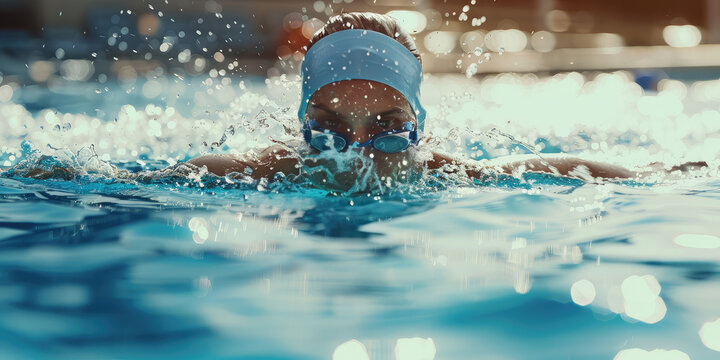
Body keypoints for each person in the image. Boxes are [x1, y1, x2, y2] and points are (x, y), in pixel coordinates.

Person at [187, 12, 706, 188]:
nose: (358, 151)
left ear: (418, 128)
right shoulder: (276, 168)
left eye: (388, 127)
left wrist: (648, 177)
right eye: (329, 130)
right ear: (300, 127)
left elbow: (549, 167)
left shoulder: (434, 168)